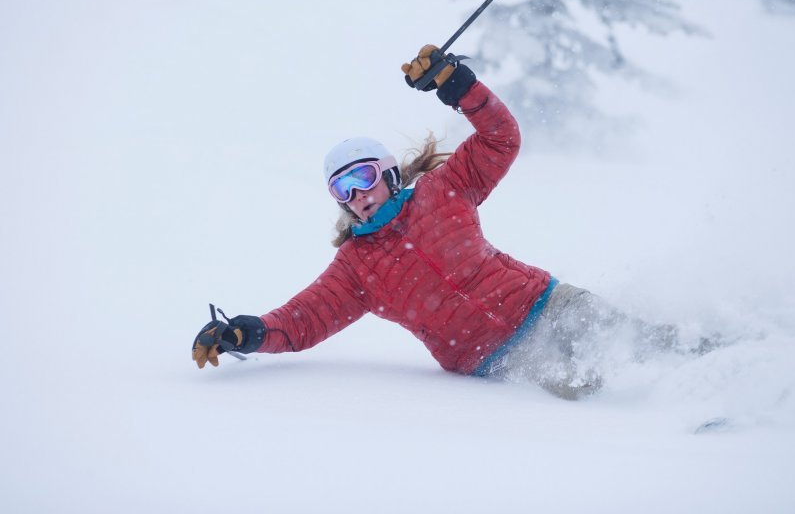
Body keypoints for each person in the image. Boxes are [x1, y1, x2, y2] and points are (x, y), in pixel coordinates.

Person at [191, 45, 682, 399]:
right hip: (500, 358)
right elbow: (304, 322)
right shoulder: (355, 269)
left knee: (643, 343)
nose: (357, 196)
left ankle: (712, 362)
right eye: (343, 190)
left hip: (545, 303)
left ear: (386, 173)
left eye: (362, 178)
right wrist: (244, 333)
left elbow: (500, 140)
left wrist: (458, 86)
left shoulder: (443, 191)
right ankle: (667, 420)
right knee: (597, 393)